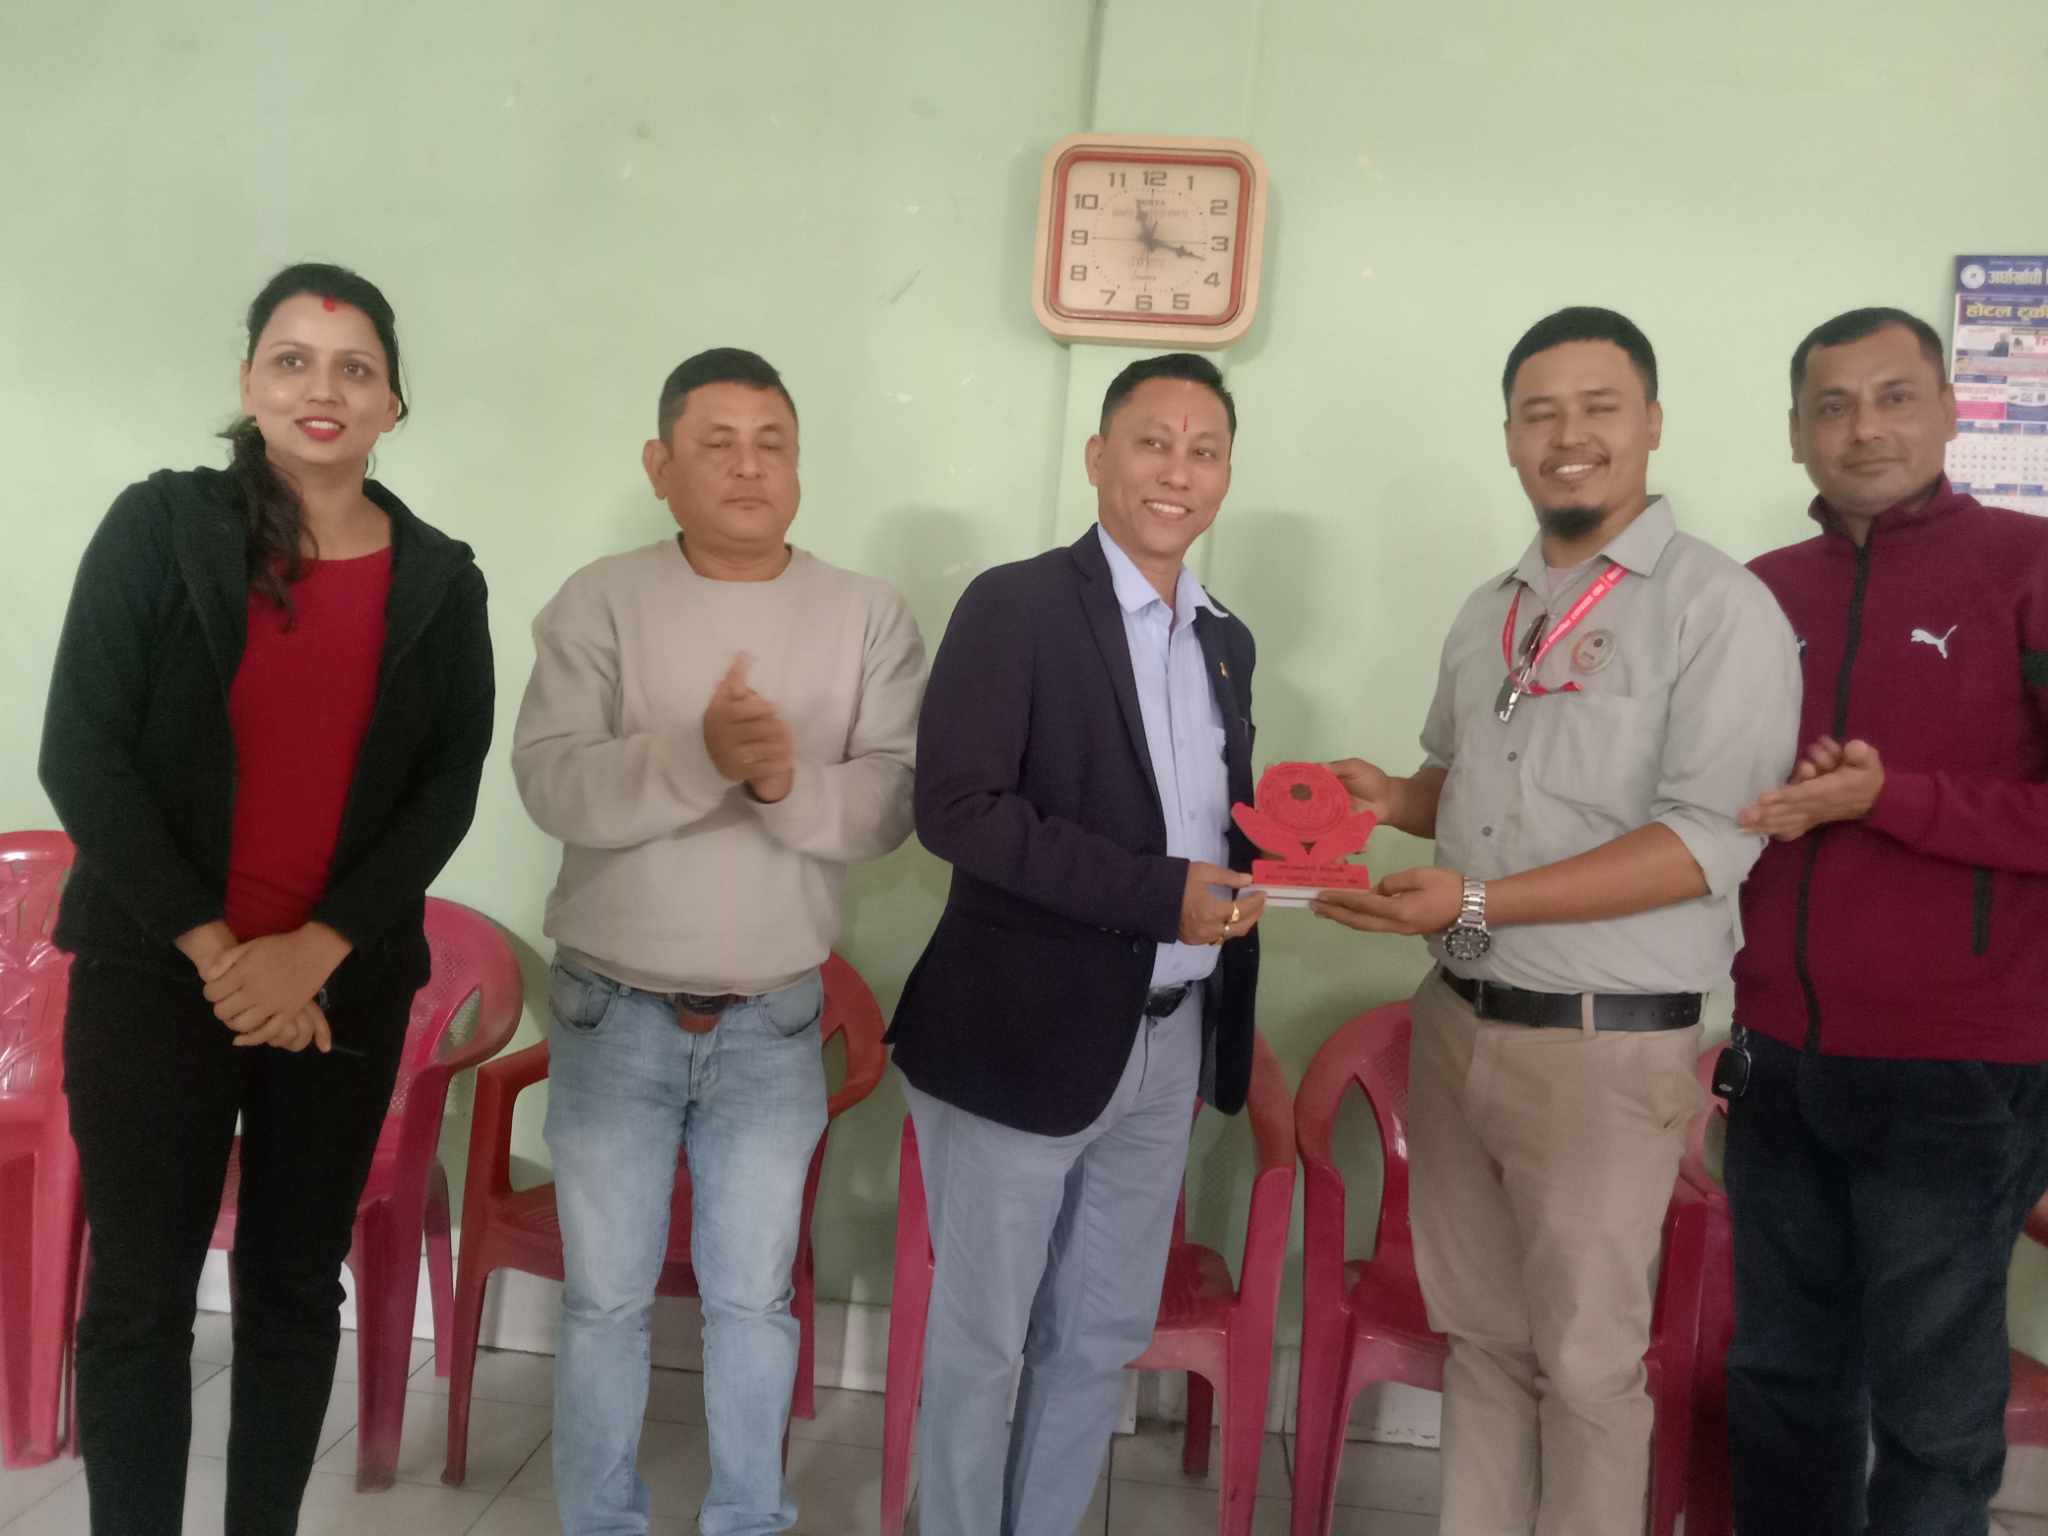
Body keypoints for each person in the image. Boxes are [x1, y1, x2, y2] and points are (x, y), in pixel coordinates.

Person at [1312, 307, 1799, 1536]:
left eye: (1596, 407)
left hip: (1602, 1050)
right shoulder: (1491, 609)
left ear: (1650, 423)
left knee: (1586, 1367)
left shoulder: (1714, 608)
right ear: (1509, 437)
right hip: (1456, 1023)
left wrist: (1477, 901)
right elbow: (1471, 792)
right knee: (1479, 1343)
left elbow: (1705, 842)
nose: (1566, 435)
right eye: (1538, 413)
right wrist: (1391, 800)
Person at [39, 261, 495, 1536]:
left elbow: (443, 792)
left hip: (339, 991)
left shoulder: (441, 580)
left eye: (354, 367)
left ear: (393, 403)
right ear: (248, 383)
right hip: (153, 974)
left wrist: (316, 951)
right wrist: (221, 955)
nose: (320, 388)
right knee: (139, 1298)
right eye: (291, 360)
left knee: (295, 1290)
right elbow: (83, 752)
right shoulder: (160, 526)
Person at [511, 347, 924, 1536]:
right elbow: (551, 783)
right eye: (717, 444)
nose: (749, 467)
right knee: (605, 1301)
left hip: (771, 1018)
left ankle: (749, 1516)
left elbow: (894, 801)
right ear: (660, 465)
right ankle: (599, 1519)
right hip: (610, 1009)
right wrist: (700, 755)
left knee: (753, 1302)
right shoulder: (600, 600)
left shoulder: (865, 614)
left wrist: (783, 778)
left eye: (771, 443)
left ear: (799, 465)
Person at [889, 352, 1264, 1536]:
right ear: (1097, 457)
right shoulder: (1016, 605)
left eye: (1204, 451)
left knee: (1097, 1333)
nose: (1177, 472)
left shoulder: (1224, 639)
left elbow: (1205, 827)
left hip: (1167, 1038)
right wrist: (1161, 896)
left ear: (1225, 477)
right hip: (1017, 1032)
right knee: (984, 1341)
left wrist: (1288, 865)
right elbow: (957, 810)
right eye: (1152, 442)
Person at [1724, 307, 2048, 1536]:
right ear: (1795, 433)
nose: (1862, 427)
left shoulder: (2024, 567)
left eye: (1893, 396)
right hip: (1774, 1055)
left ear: (1949, 411)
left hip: (1955, 1066)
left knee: (1929, 1407)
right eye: (1831, 405)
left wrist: (1888, 798)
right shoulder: (1759, 593)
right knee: (1781, 1382)